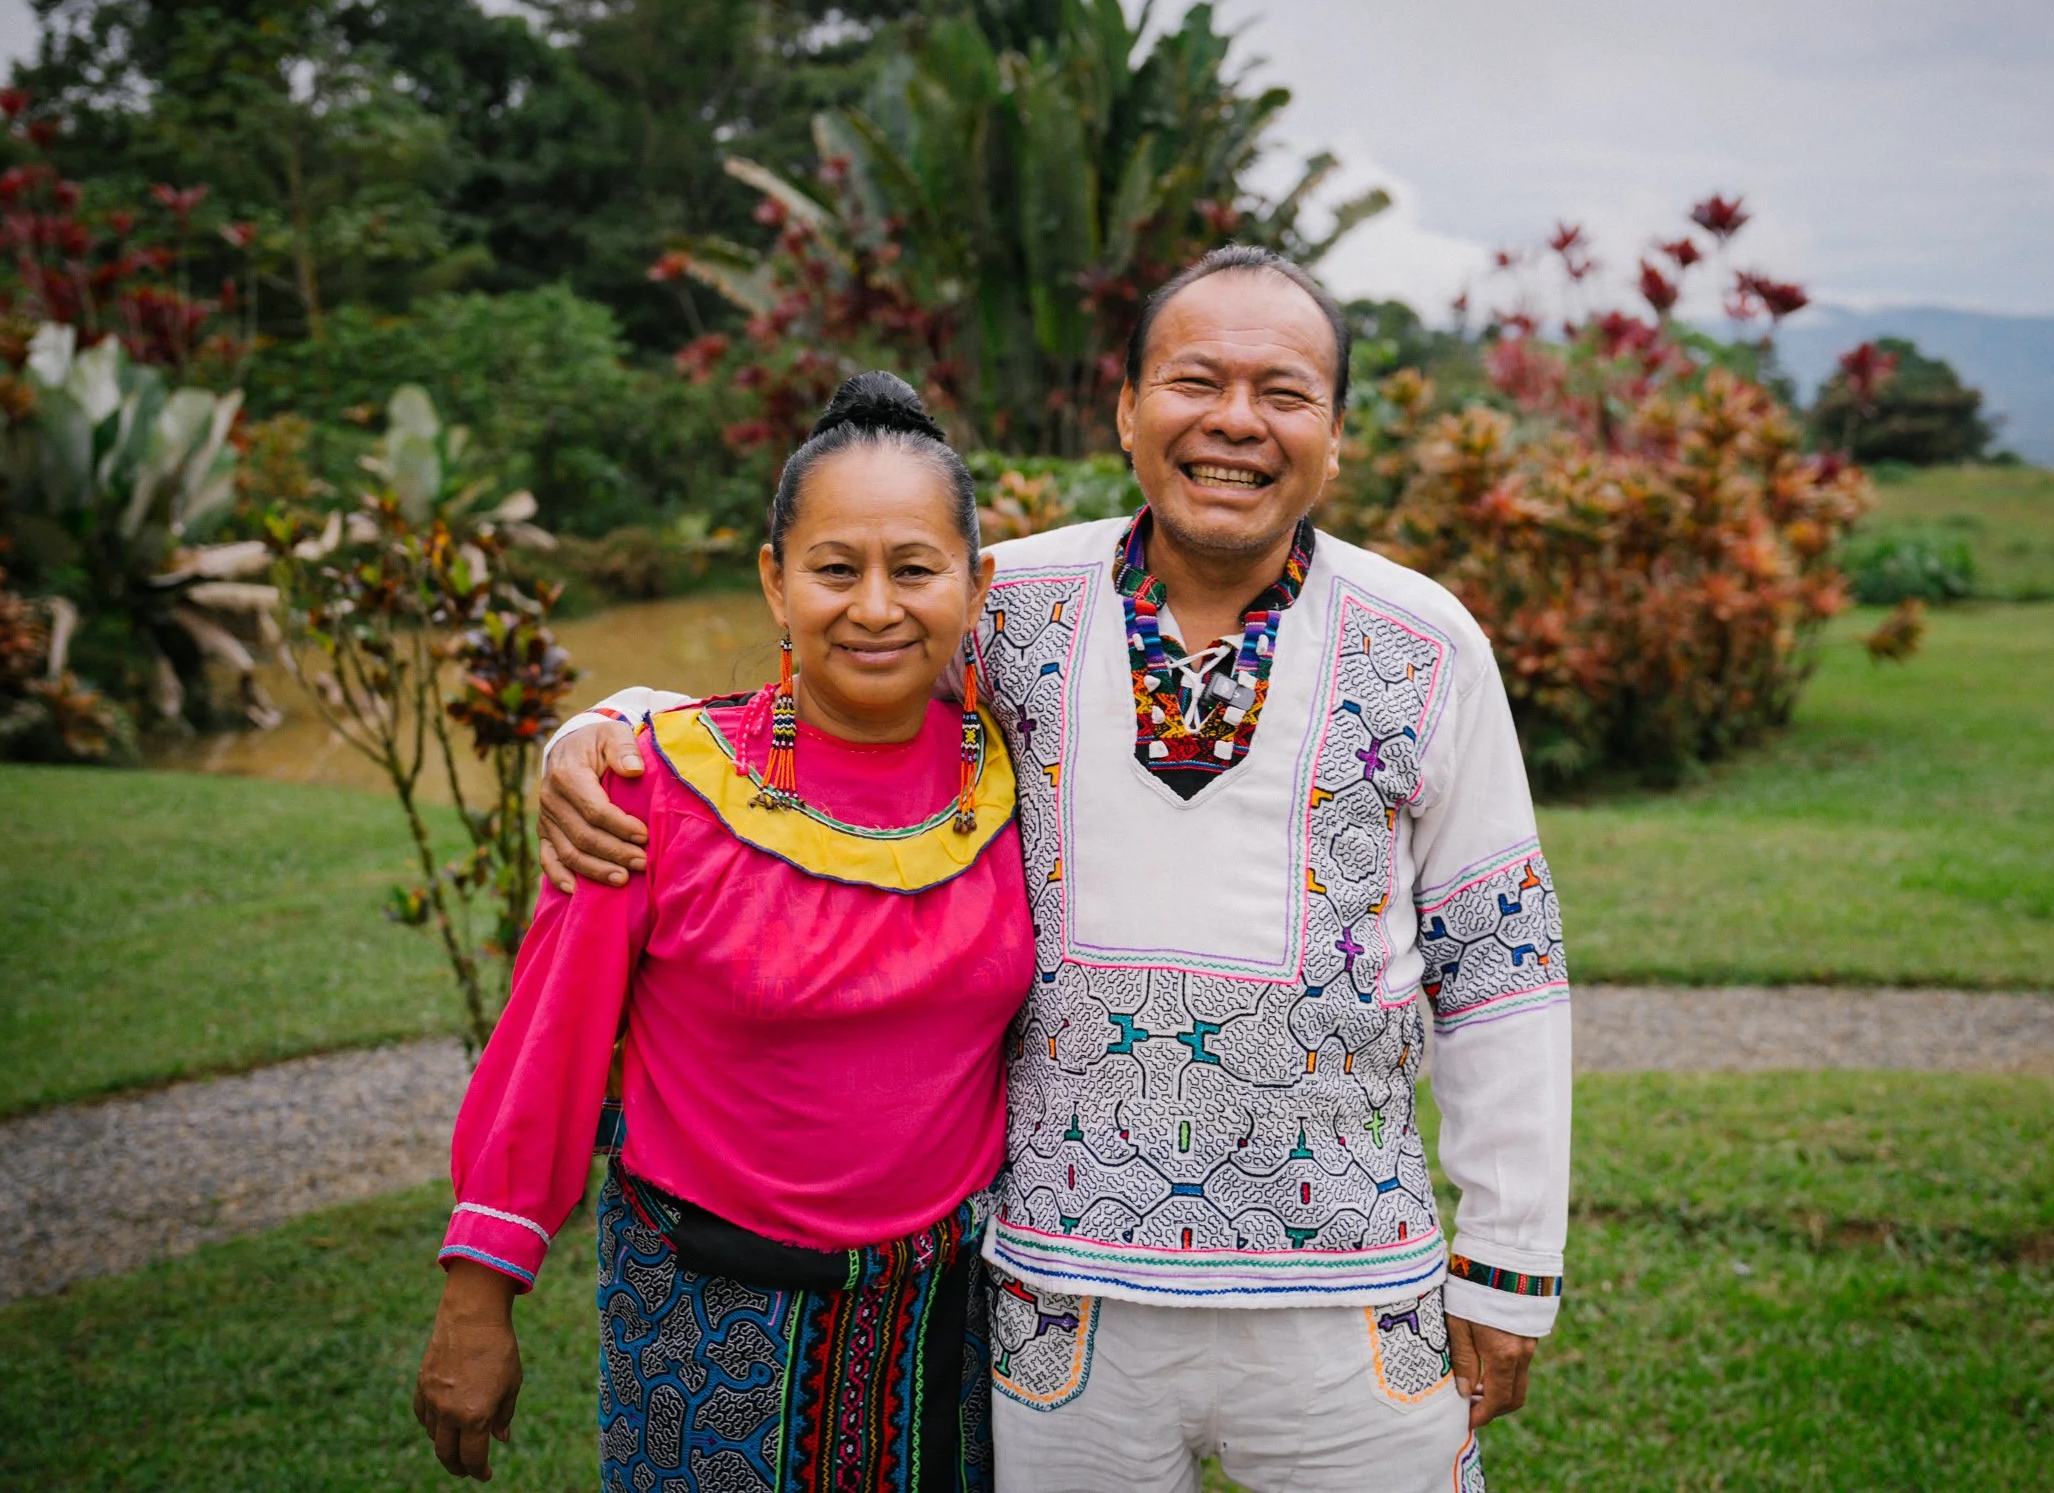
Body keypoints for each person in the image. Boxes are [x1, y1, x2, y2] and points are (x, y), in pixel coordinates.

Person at [544, 247, 1572, 1493]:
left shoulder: (1424, 642)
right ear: (1128, 407)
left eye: (1285, 393)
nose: (1236, 421)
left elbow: (1501, 961)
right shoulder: (1007, 600)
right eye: (1197, 380)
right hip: (1060, 1291)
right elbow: (813, 686)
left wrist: (1509, 1265)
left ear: (1337, 435)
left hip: (1348, 1285)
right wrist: (598, 726)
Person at [414, 372, 1036, 1491]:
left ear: (977, 583)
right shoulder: (653, 784)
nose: (877, 606)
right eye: (835, 568)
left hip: (950, 1318)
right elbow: (545, 1049)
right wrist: (478, 1298)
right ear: (775, 581)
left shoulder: (1019, 772)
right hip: (707, 1313)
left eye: (916, 567)